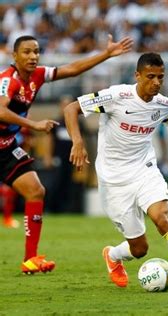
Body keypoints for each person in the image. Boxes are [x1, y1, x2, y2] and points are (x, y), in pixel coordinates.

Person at [64, 53, 168, 292]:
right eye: (151, 76)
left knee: (162, 218)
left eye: (161, 77)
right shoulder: (117, 96)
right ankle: (113, 255)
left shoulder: (163, 104)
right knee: (139, 249)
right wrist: (77, 141)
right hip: (114, 180)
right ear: (137, 76)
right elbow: (71, 108)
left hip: (145, 170)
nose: (156, 82)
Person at [0, 34, 133, 274]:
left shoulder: (38, 76)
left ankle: (30, 259)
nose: (33, 56)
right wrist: (35, 125)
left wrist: (106, 54)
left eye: (36, 51)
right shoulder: (8, 81)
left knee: (36, 191)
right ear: (15, 56)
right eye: (27, 52)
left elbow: (72, 69)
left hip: (6, 147)